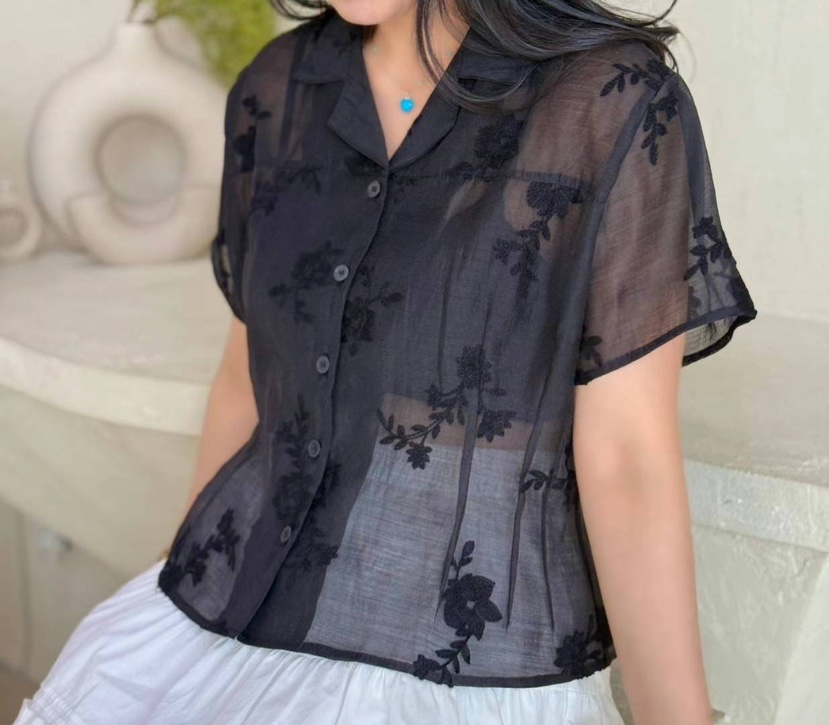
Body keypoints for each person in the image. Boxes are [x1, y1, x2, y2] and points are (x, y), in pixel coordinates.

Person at [16, 0, 758, 723]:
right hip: (219, 615)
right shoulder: (276, 90)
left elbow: (626, 458)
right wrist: (179, 584)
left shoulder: (611, 102)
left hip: (463, 672)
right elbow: (249, 380)